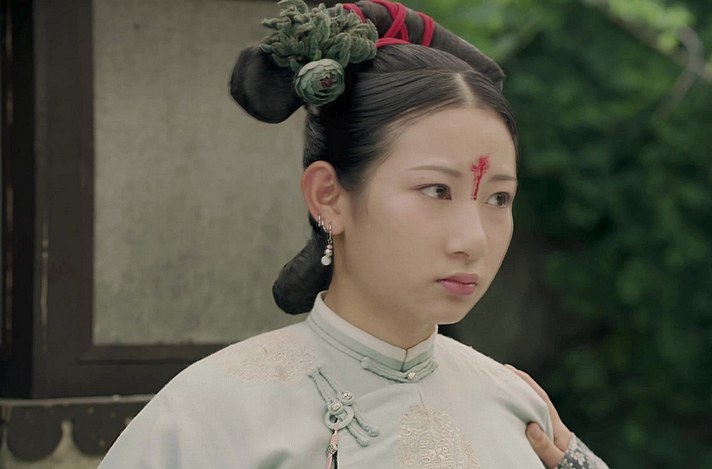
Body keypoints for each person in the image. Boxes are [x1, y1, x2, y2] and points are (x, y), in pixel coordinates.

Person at [99, 1, 608, 468]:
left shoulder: (517, 407)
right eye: (436, 190)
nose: (473, 239)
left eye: (498, 198)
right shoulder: (211, 417)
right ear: (329, 196)